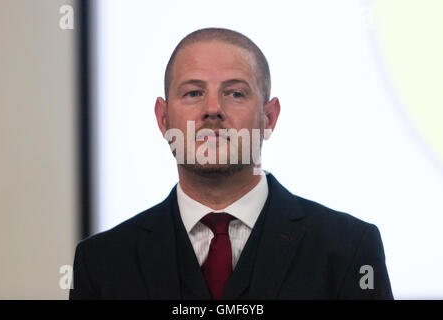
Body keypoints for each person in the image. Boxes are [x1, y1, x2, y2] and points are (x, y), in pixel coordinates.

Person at [69, 27, 393, 300]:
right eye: (194, 93)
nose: (213, 109)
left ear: (268, 117)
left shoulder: (349, 249)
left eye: (236, 94)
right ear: (163, 118)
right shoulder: (101, 262)